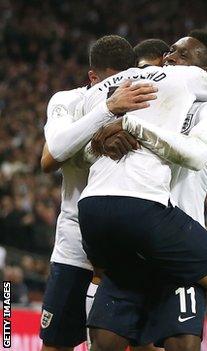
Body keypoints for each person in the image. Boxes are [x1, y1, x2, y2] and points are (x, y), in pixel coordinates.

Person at [81, 31, 207, 351]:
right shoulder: (147, 100)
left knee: (180, 342)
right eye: (170, 52)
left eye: (182, 56)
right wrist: (100, 138)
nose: (171, 58)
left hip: (176, 236)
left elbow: (197, 159)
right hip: (140, 226)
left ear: (204, 73)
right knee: (109, 341)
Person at [38, 35, 157, 351]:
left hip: (127, 246)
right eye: (110, 82)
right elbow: (52, 155)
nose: (119, 88)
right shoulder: (68, 101)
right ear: (93, 77)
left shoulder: (141, 101)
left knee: (140, 345)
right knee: (55, 345)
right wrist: (106, 111)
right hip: (76, 246)